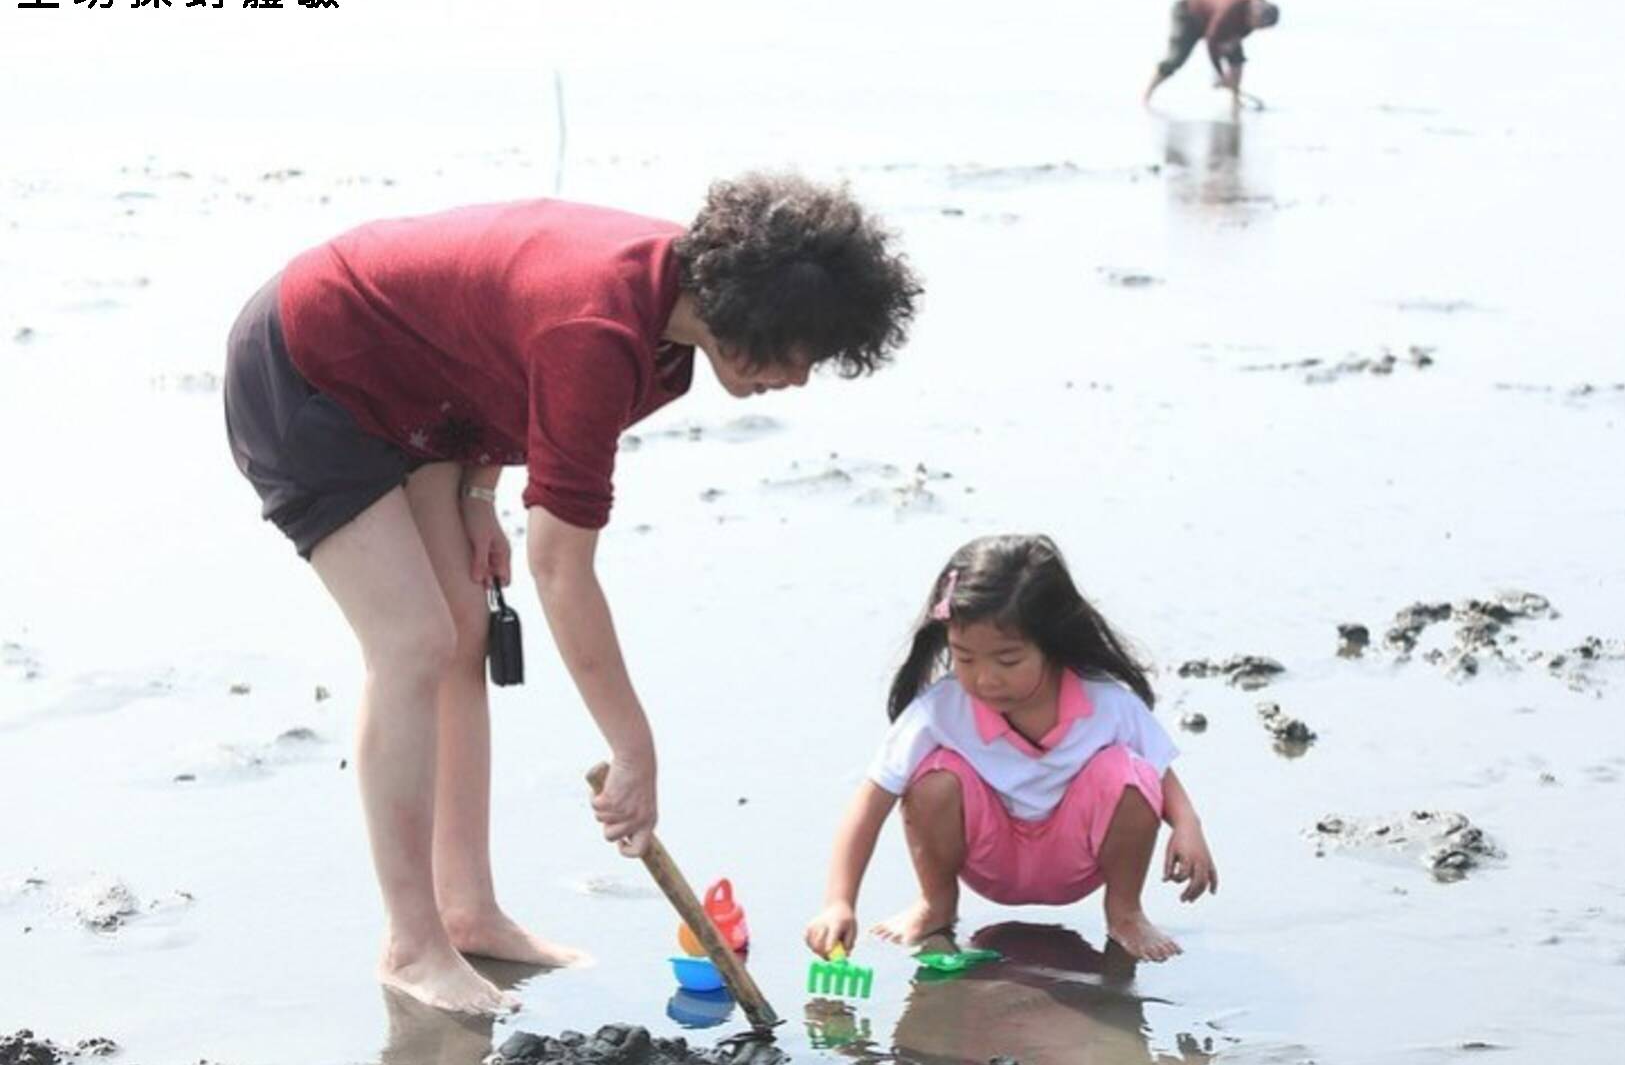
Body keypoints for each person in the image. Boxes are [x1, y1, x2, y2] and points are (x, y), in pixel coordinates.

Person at [223, 175, 921, 1013]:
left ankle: (466, 911)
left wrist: (478, 495)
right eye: (799, 352)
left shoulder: (676, 299)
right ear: (748, 323)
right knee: (411, 640)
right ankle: (412, 946)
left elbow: (490, 346)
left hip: (419, 384)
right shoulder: (600, 327)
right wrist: (633, 749)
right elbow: (561, 566)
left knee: (464, 634)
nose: (801, 378)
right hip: (313, 368)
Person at [804, 535, 1218, 964]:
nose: (985, 680)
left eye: (1007, 661)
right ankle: (936, 903)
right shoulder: (940, 711)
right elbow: (869, 804)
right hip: (990, 858)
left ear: (1052, 645)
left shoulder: (1106, 702)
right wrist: (839, 901)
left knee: (1128, 771)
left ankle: (1125, 913)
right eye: (964, 659)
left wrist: (1188, 827)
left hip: (1076, 856)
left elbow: (1160, 773)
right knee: (934, 776)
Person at [1143, 0, 1280, 105]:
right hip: (1188, 13)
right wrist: (1219, 73)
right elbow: (1211, 41)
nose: (1256, 28)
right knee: (1177, 58)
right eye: (1257, 24)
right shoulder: (1230, 9)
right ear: (1253, 13)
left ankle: (1235, 100)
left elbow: (1245, 30)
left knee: (1237, 58)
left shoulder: (1259, 6)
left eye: (1261, 27)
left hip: (1216, 20)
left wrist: (1234, 42)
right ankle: (1147, 96)